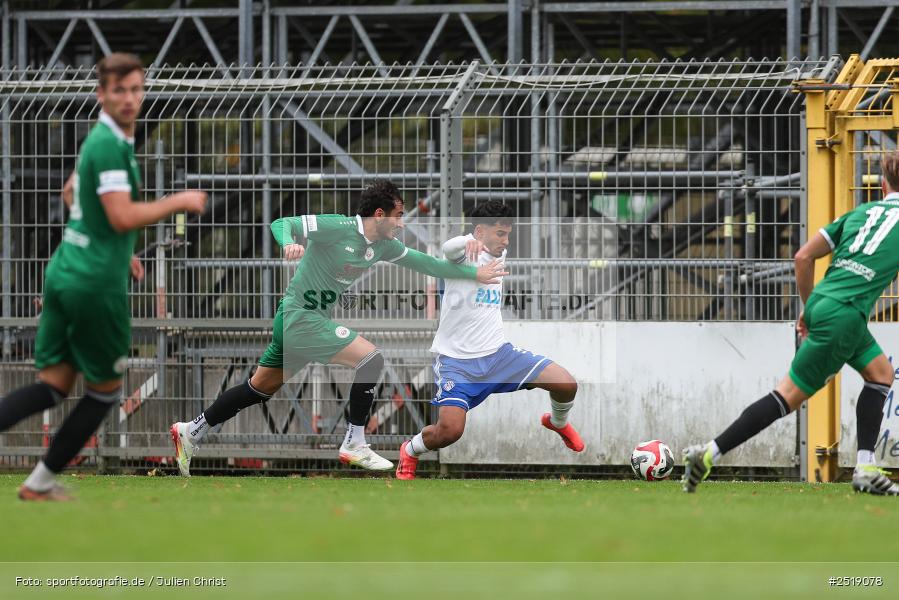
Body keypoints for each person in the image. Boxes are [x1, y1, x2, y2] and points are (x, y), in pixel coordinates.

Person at [170, 179, 507, 476]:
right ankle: (355, 442)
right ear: (379, 214)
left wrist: (473, 274)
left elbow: (428, 263)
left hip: (306, 324)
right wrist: (288, 242)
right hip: (299, 318)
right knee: (371, 359)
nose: (401, 224)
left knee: (257, 389)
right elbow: (282, 222)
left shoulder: (384, 245)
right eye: (398, 215)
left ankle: (192, 430)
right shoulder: (337, 227)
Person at [0, 53, 207, 500]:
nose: (130, 99)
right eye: (120, 91)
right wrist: (179, 201)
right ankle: (38, 483)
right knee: (103, 393)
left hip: (66, 273)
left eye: (136, 89)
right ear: (102, 94)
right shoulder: (109, 144)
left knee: (52, 386)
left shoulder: (104, 140)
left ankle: (39, 485)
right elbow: (119, 215)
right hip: (94, 286)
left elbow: (72, 192)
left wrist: (120, 252)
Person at [683, 153, 899, 496]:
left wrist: (811, 306)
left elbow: (802, 257)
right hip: (845, 313)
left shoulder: (859, 214)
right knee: (787, 396)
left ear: (883, 185)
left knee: (880, 375)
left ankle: (865, 467)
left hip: (827, 305)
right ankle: (708, 453)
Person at [395, 200, 584, 480]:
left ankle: (557, 422)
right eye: (500, 234)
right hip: (458, 363)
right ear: (480, 232)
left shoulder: (498, 252)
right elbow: (447, 250)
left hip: (499, 356)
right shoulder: (464, 253)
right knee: (450, 431)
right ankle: (410, 450)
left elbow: (485, 243)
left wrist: (482, 240)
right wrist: (466, 241)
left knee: (566, 384)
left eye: (508, 234)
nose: (506, 241)